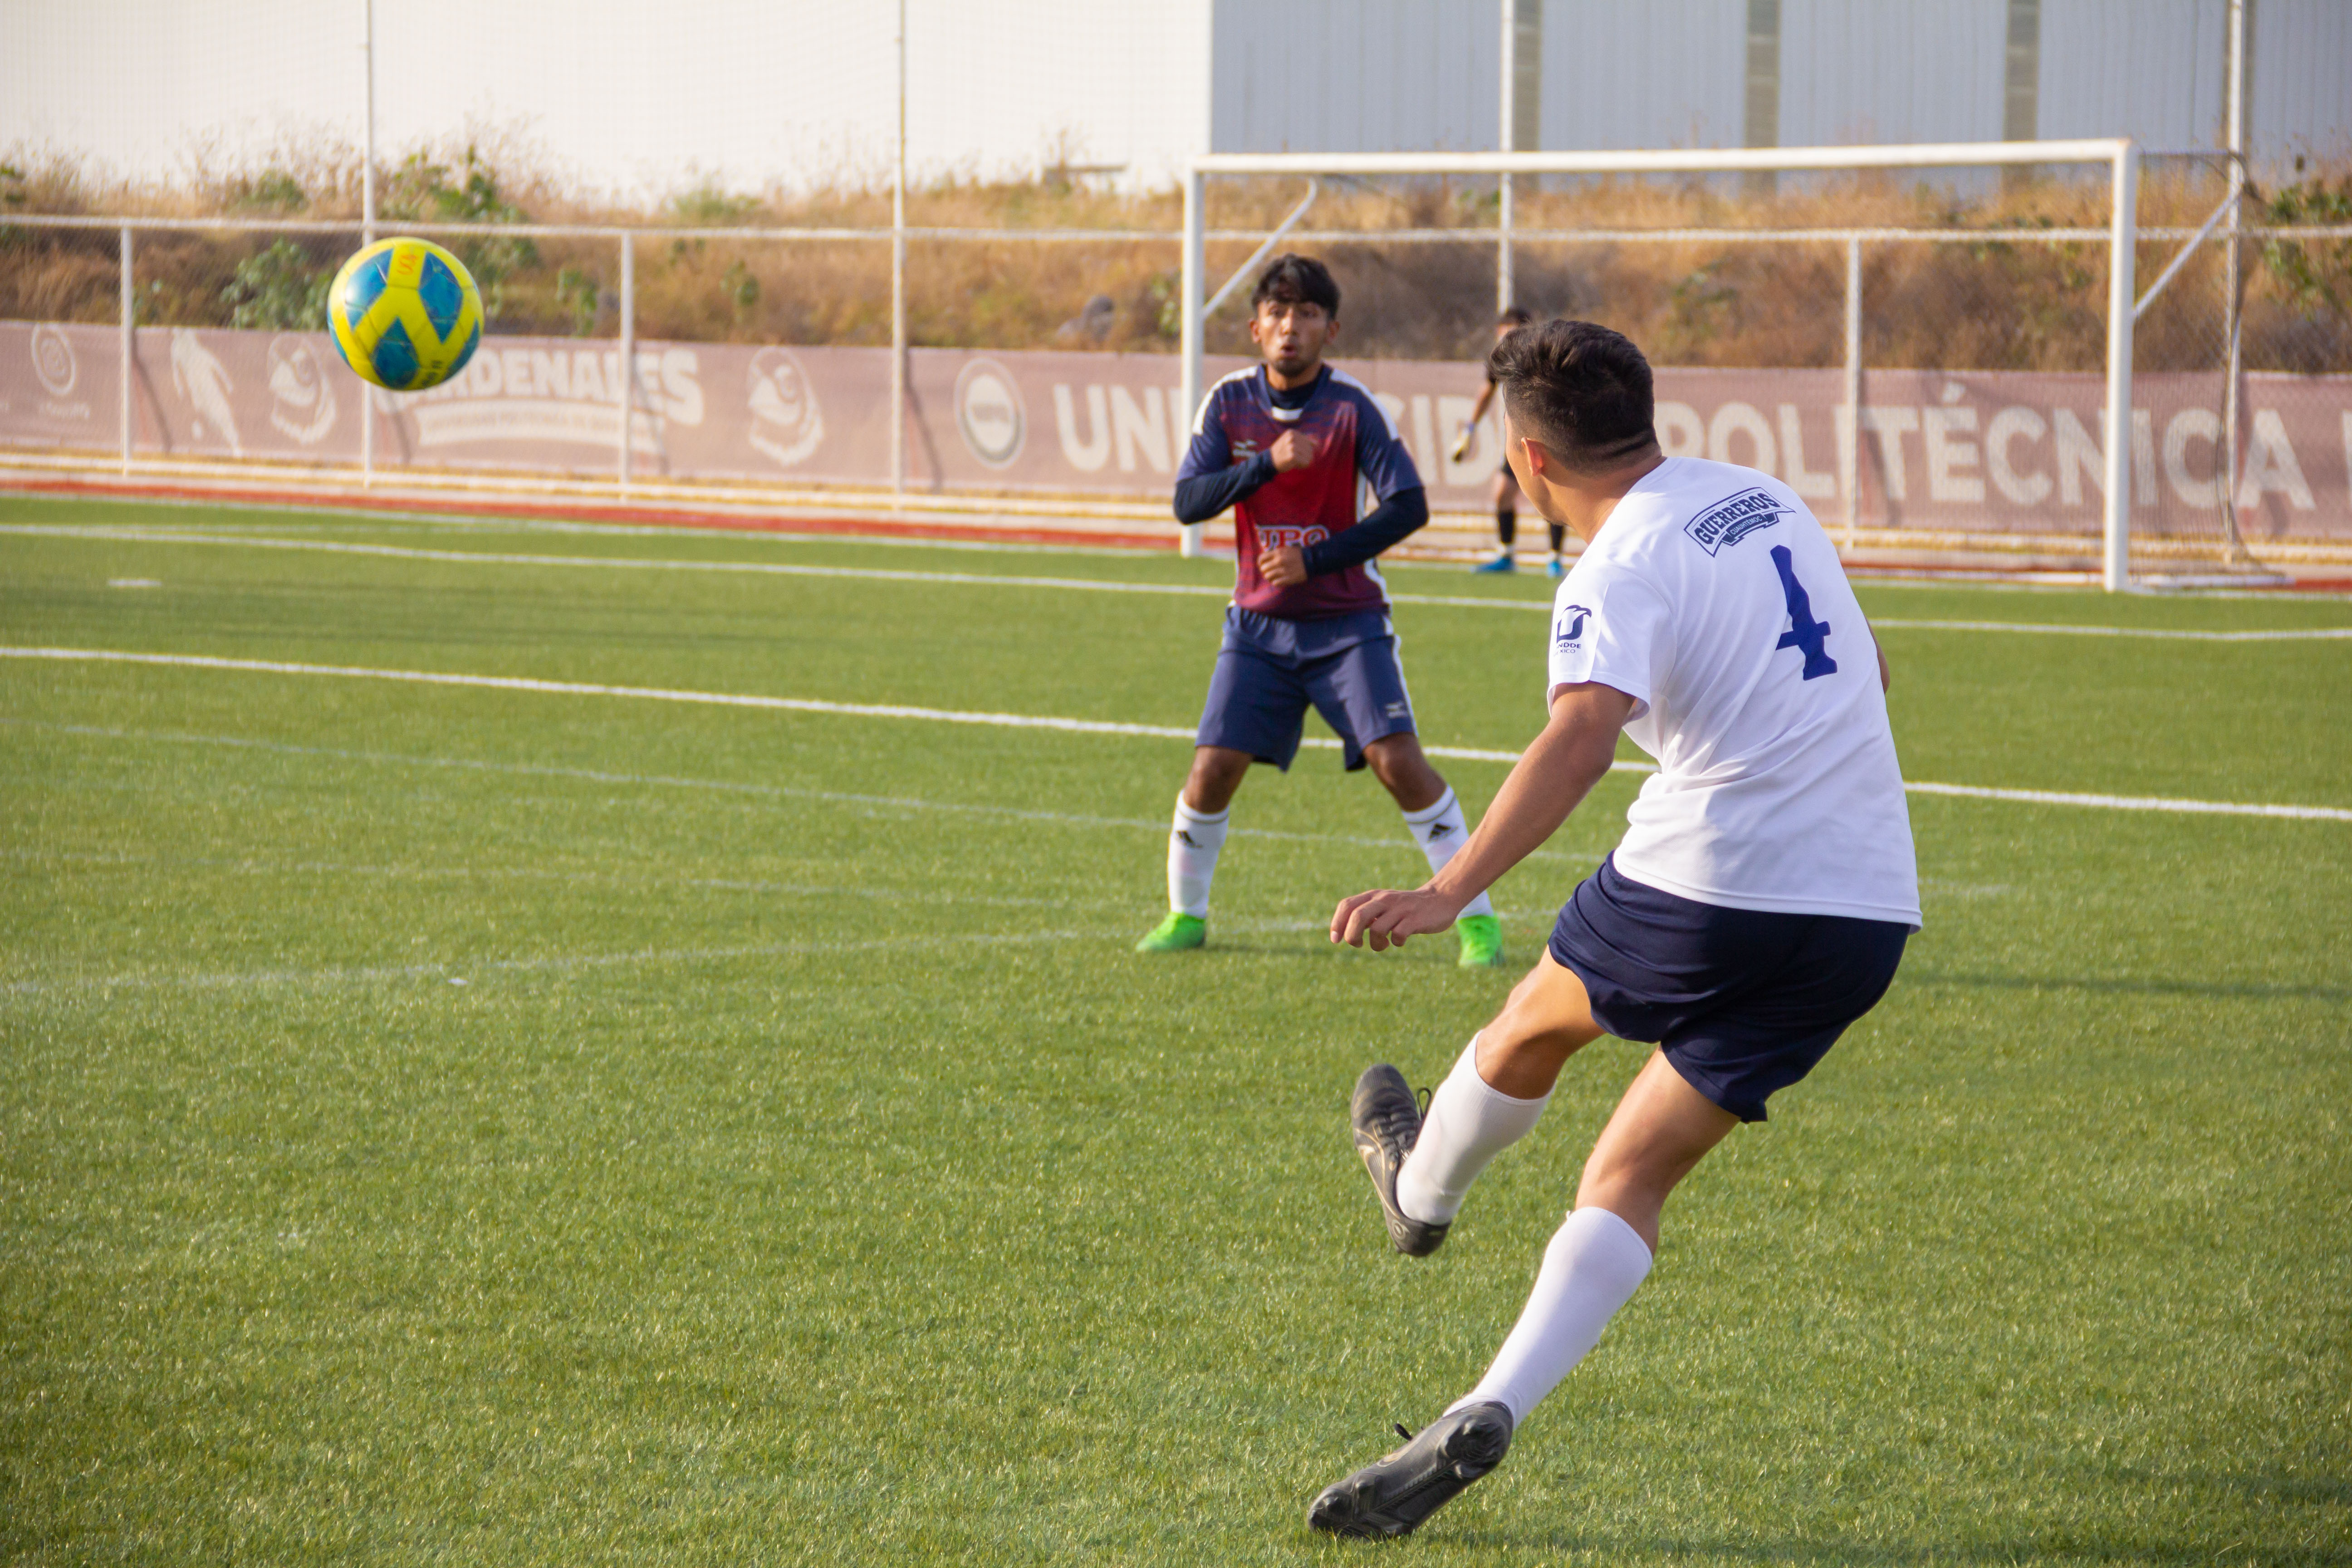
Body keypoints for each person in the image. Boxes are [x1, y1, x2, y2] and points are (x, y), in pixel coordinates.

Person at [1306, 319, 1921, 1538]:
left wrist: (1446, 890)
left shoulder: (1613, 566)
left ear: (1530, 464)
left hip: (1710, 879)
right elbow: (1873, 672)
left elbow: (1581, 737)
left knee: (1531, 1027)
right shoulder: (1762, 495)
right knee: (1631, 1175)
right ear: (1652, 412)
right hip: (1865, 905)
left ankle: (1417, 1191)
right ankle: (1490, 1403)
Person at [1136, 254, 1504, 969]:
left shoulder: (1352, 407)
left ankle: (1476, 921)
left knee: (1399, 763)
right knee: (1212, 768)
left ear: (1330, 328)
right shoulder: (1227, 404)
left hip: (1348, 625)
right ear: (1255, 328)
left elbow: (1410, 505)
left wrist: (1320, 557)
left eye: (1306, 314)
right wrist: (1265, 466)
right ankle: (1186, 916)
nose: (1289, 327)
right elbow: (1188, 502)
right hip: (1258, 628)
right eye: (1277, 313)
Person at [1455, 306, 1564, 578]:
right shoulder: (1502, 360)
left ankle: (1555, 559)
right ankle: (1506, 555)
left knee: (1553, 496)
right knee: (1502, 493)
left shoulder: (1543, 358)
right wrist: (1469, 430)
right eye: (1503, 335)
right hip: (1521, 439)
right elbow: (1487, 390)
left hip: (1548, 436)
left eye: (1512, 335)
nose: (1506, 341)